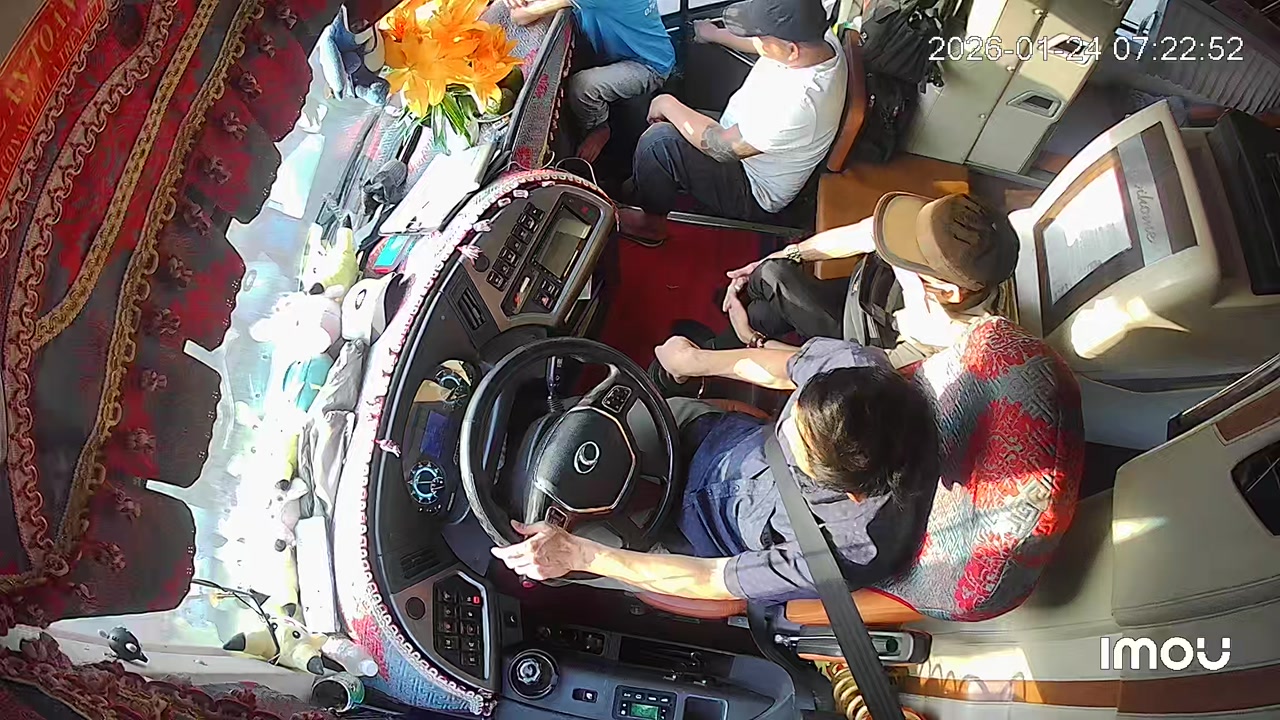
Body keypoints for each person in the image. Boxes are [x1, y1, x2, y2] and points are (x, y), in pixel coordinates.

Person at [491, 336, 938, 604]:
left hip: (685, 538)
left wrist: (578, 555)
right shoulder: (858, 372)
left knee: (561, 564)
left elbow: (711, 579)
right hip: (699, 435)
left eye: (799, 448)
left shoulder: (850, 550)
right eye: (795, 414)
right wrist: (695, 362)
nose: (785, 428)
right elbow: (788, 369)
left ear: (852, 495)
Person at [617, 0, 846, 246]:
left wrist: (666, 103)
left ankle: (651, 226)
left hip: (751, 186)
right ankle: (647, 183)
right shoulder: (819, 41)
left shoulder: (799, 104)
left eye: (761, 38)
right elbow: (764, 45)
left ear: (792, 51)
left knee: (658, 143)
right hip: (742, 133)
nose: (756, 41)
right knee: (671, 127)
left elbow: (722, 147)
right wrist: (714, 34)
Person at [720, 192, 1019, 368]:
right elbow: (863, 233)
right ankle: (724, 334)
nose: (894, 249)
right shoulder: (947, 234)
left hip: (854, 340)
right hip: (863, 289)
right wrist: (791, 253)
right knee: (762, 311)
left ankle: (726, 329)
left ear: (947, 292)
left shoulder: (936, 347)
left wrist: (753, 341)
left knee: (774, 276)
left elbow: (837, 369)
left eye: (907, 259)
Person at [505, 0, 675, 163]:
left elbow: (519, 17)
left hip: (649, 65)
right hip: (620, 48)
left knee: (583, 87)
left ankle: (599, 127)